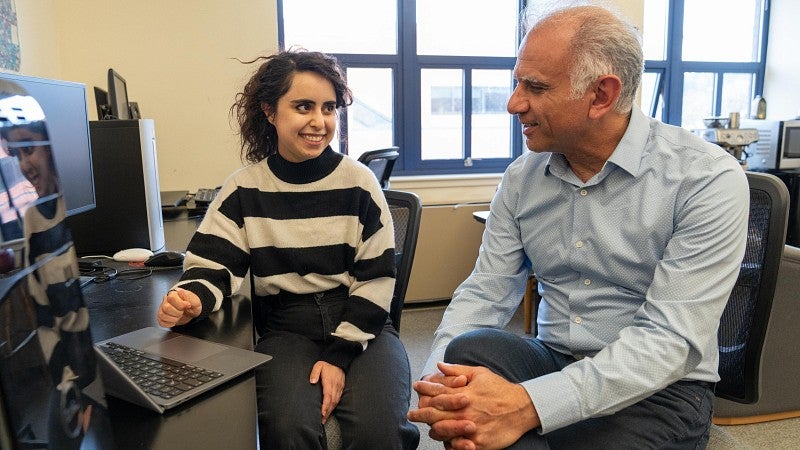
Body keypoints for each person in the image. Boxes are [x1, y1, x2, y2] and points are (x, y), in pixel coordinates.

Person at [408, 4, 749, 450]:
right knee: (467, 354)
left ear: (601, 95)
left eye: (535, 87)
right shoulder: (522, 177)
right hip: (554, 358)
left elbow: (667, 341)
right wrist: (437, 379)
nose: (514, 103)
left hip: (658, 388)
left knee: (499, 428)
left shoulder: (705, 179)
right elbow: (487, 290)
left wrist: (526, 406)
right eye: (517, 82)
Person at [155, 49, 420, 449]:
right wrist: (191, 298)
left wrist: (340, 354)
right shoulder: (244, 189)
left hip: (360, 318)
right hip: (286, 326)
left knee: (379, 432)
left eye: (329, 108)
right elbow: (212, 266)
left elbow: (376, 279)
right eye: (303, 106)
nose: (319, 121)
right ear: (269, 112)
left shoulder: (360, 183)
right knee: (287, 429)